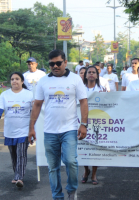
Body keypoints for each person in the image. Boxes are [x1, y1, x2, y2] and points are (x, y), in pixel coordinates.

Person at [28, 49, 88, 200]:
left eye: (58, 63)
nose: (55, 66)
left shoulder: (75, 79)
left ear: (65, 62)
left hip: (69, 129)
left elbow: (83, 101)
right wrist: (31, 128)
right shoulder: (44, 81)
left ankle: (72, 189)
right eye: (51, 64)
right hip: (49, 131)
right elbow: (37, 105)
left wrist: (84, 124)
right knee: (52, 167)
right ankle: (57, 196)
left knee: (70, 161)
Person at [0, 72, 33, 188]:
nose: (14, 81)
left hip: (24, 130)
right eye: (12, 79)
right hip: (10, 131)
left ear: (22, 81)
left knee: (21, 154)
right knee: (13, 155)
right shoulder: (5, 95)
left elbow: (36, 112)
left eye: (17, 79)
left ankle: (19, 177)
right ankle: (17, 174)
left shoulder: (29, 95)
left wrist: (34, 128)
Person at [81, 66, 107, 186]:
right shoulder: (80, 89)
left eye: (93, 72)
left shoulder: (102, 89)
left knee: (95, 147)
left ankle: (94, 173)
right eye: (89, 72)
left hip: (97, 121)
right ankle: (86, 170)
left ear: (97, 75)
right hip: (82, 122)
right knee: (83, 147)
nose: (91, 74)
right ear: (85, 75)